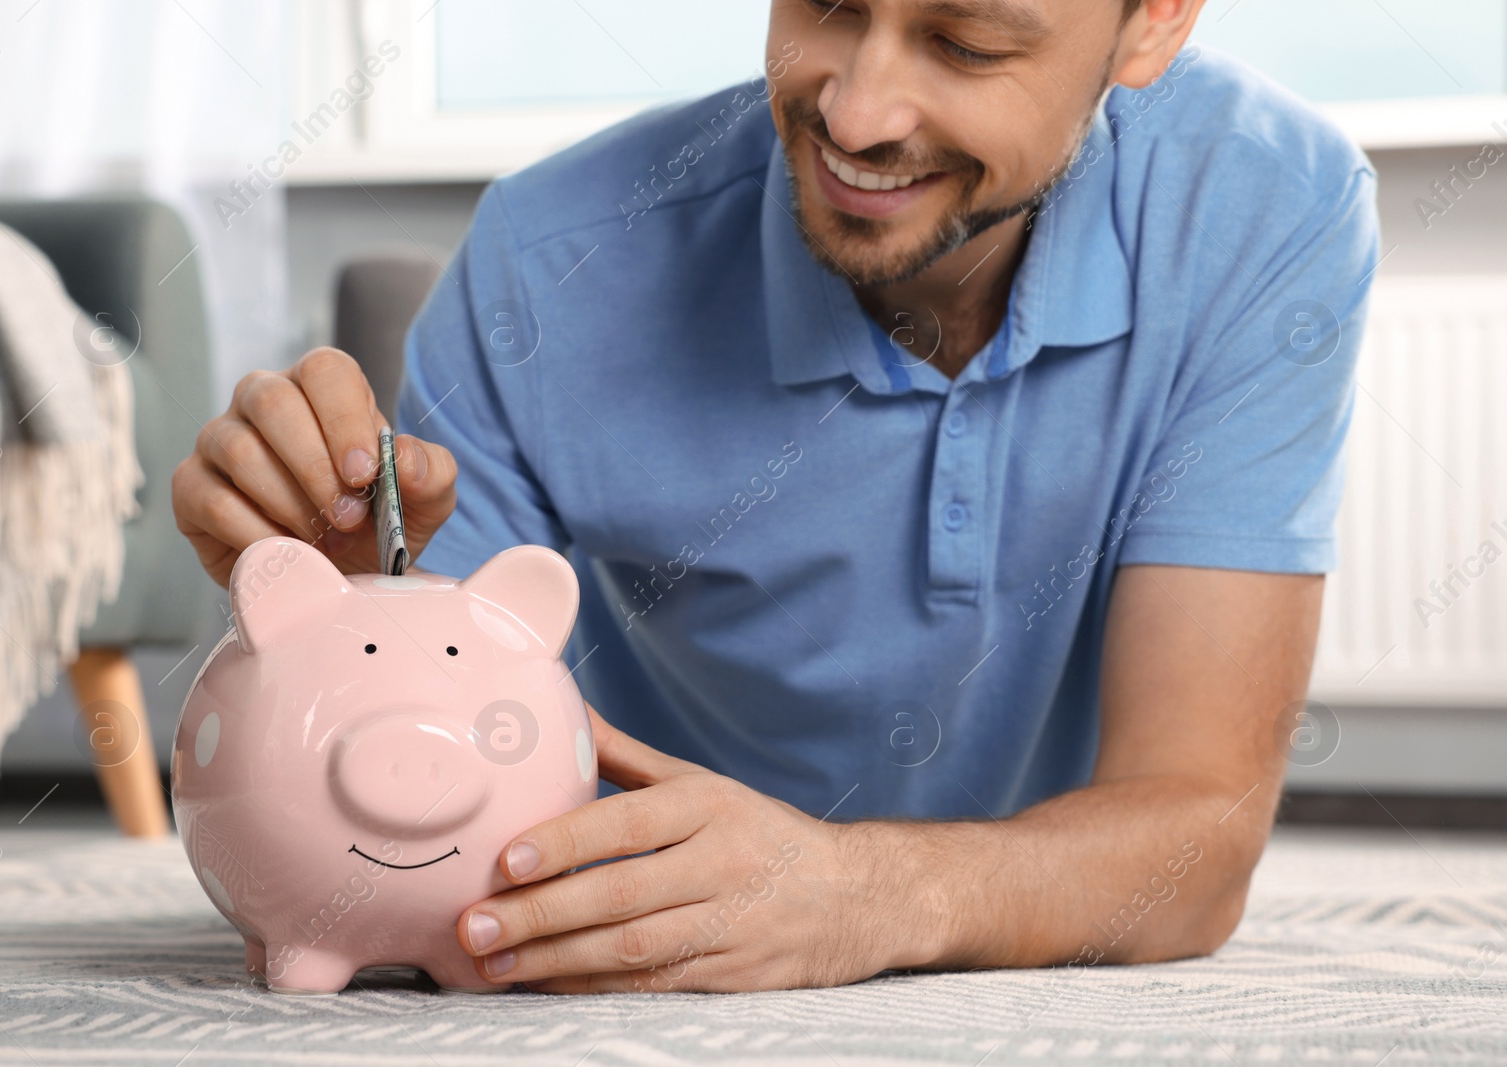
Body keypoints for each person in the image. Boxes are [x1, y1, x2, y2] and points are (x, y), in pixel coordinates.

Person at [173, 0, 1379, 993]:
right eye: (828, 7)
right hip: (627, 924)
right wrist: (345, 611)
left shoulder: (1268, 206)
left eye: (964, 43)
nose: (855, 113)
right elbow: (391, 847)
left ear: (1152, 24)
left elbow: (1199, 832)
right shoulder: (547, 258)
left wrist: (858, 891)